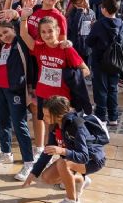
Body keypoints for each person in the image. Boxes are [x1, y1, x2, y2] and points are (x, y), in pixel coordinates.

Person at [20, 12, 90, 164]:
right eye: (43, 32)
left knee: (63, 130)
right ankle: (48, 156)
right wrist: (24, 17)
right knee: (47, 126)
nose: (47, 34)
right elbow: (24, 35)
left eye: (50, 30)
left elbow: (85, 70)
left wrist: (70, 79)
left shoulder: (66, 49)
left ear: (58, 31)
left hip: (61, 100)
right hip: (44, 95)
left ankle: (67, 162)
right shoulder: (39, 48)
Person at [23, 96, 106, 203]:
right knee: (47, 178)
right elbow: (47, 152)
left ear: (58, 115)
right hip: (72, 159)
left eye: (47, 115)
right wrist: (33, 174)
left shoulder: (76, 125)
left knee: (62, 163)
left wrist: (62, 151)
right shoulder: (54, 126)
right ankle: (80, 179)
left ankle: (72, 201)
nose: (44, 118)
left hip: (93, 160)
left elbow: (84, 156)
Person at [0, 21, 34, 181]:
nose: (3, 37)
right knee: (3, 122)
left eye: (6, 32)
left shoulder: (20, 43)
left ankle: (29, 162)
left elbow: (29, 65)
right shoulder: (2, 46)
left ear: (14, 29)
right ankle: (6, 153)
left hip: (15, 90)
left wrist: (21, 16)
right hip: (0, 89)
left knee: (19, 125)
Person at [86, 0, 123, 126]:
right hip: (116, 61)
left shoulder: (98, 24)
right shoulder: (121, 24)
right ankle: (113, 116)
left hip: (99, 61)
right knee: (113, 88)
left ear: (103, 9)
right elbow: (122, 40)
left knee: (100, 89)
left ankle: (101, 116)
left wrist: (93, 29)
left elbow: (89, 41)